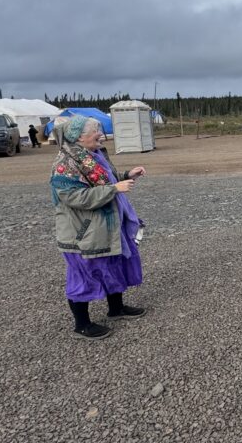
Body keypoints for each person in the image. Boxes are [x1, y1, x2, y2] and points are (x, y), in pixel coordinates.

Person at [51, 116, 147, 340]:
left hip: (105, 225)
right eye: (95, 131)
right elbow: (74, 196)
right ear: (78, 137)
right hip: (82, 231)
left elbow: (104, 180)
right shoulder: (65, 163)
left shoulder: (93, 155)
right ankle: (81, 325)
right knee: (84, 273)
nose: (100, 134)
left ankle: (116, 309)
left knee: (114, 263)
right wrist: (114, 189)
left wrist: (125, 176)